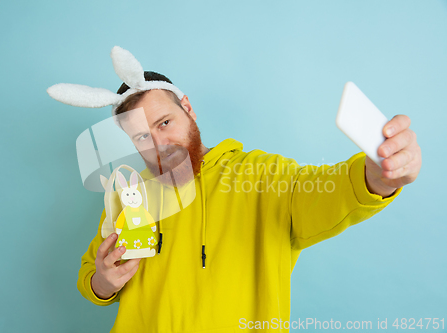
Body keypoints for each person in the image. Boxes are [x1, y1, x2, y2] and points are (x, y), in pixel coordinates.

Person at [77, 71, 422, 332]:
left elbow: (324, 190)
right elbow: (92, 273)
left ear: (188, 109)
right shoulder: (131, 195)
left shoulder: (263, 174)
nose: (159, 143)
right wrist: (104, 283)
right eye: (141, 136)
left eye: (165, 122)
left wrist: (375, 176)